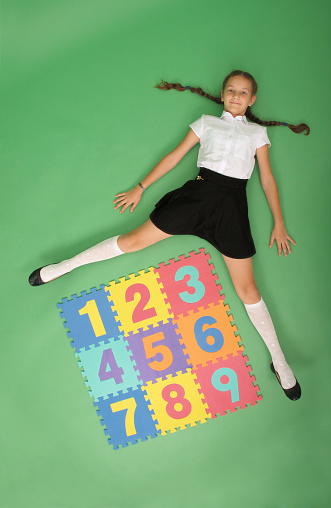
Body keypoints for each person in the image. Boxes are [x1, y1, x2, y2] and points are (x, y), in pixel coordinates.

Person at [29, 70, 310, 401]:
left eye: (243, 92)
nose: (236, 95)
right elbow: (175, 157)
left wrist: (279, 222)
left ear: (252, 100)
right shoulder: (207, 122)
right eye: (231, 90)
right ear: (222, 95)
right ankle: (64, 266)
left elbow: (267, 180)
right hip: (196, 198)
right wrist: (140, 187)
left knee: (248, 289)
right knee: (132, 241)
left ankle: (279, 361)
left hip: (231, 210)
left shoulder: (258, 133)